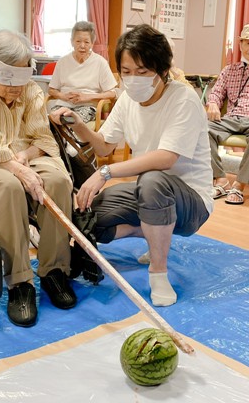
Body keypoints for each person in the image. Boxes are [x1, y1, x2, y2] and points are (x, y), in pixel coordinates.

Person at [51, 24, 214, 307]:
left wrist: (105, 172)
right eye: (126, 72)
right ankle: (156, 231)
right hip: (151, 195)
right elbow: (103, 146)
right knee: (91, 218)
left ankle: (158, 272)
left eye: (142, 72)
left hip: (192, 202)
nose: (133, 79)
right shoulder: (127, 99)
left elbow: (166, 158)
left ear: (162, 70)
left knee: (152, 180)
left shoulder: (183, 99)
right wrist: (79, 125)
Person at [0, 29, 77, 328]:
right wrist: (18, 169)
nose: (16, 91)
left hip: (27, 154)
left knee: (59, 182)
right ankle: (20, 282)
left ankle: (54, 271)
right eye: (9, 85)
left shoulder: (31, 90)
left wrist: (26, 158)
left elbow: (43, 139)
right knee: (9, 187)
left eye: (21, 83)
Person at [206, 23, 249, 205]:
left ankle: (239, 185)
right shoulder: (229, 70)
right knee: (202, 128)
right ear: (240, 45)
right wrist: (213, 103)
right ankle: (221, 180)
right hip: (231, 119)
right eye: (247, 42)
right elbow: (216, 93)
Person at [48, 21, 119, 125]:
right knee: (50, 122)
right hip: (63, 105)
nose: (82, 45)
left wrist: (87, 96)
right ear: (72, 42)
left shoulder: (100, 62)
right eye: (78, 41)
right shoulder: (63, 62)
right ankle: (59, 140)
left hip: (87, 107)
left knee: (71, 120)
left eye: (86, 42)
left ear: (92, 43)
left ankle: (68, 140)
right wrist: (63, 96)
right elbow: (51, 89)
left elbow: (112, 93)